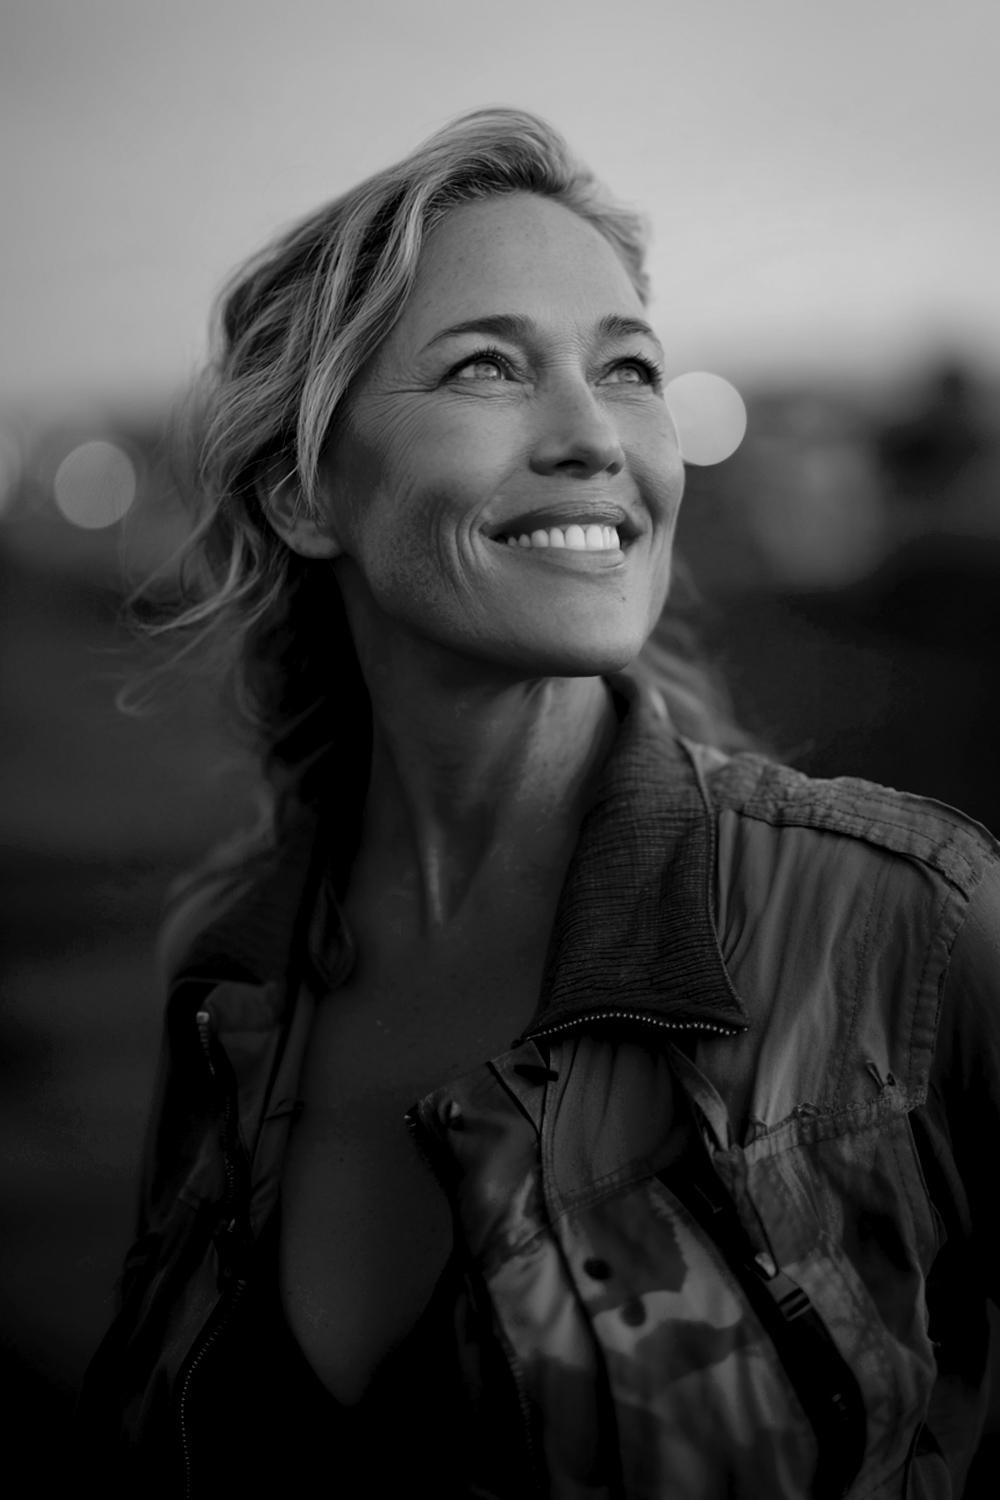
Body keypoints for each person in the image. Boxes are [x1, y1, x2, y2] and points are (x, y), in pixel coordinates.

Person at [77, 108, 1000, 1499]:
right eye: (489, 366)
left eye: (628, 368)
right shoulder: (230, 972)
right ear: (304, 490)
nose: (593, 435)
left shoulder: (906, 924)